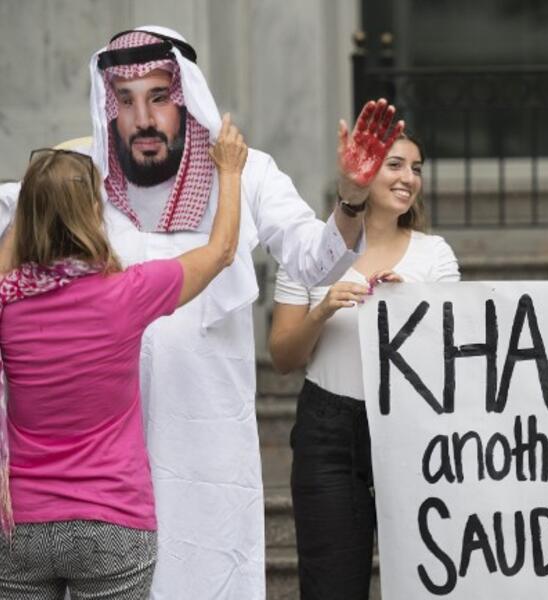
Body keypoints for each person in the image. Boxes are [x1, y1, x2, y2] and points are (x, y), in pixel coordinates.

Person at [0, 25, 402, 600]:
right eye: (124, 101)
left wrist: (352, 198)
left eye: (159, 98)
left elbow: (316, 263)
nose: (142, 118)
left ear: (186, 97)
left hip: (205, 445)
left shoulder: (247, 172)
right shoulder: (75, 175)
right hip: (93, 482)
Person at [0, 116, 246, 599]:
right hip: (112, 522)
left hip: (21, 525)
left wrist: (36, 202)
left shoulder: (7, 301)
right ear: (94, 212)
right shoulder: (127, 293)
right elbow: (220, 251)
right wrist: (231, 172)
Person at [269, 132, 460, 600]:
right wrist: (323, 309)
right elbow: (283, 357)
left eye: (416, 168)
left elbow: (454, 358)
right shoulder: (309, 251)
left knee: (427, 584)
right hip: (329, 431)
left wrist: (410, 308)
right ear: (364, 172)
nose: (408, 178)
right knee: (332, 585)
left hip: (414, 430)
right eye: (395, 165)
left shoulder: (434, 255)